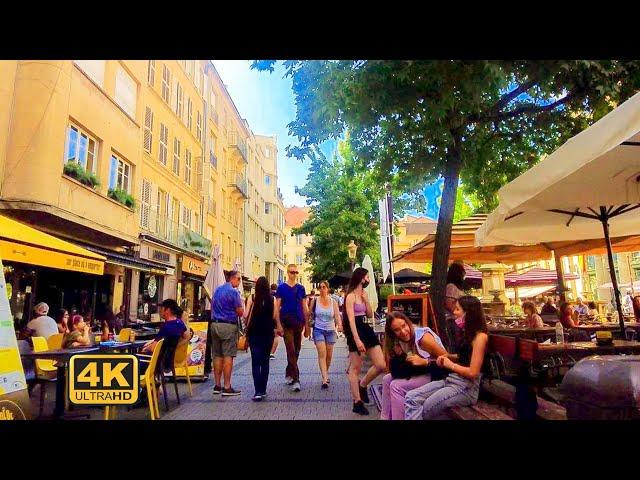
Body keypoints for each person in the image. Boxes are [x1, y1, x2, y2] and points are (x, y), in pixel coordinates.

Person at [405, 295, 488, 420]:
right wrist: (448, 356)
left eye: (458, 309)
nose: (454, 313)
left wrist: (451, 365)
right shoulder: (468, 334)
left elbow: (473, 372)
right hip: (452, 380)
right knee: (411, 397)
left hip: (466, 388)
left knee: (425, 409)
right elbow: (465, 356)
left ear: (468, 313)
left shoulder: (480, 337)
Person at [380, 312, 447, 420]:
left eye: (404, 326)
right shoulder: (398, 342)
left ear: (408, 323)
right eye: (397, 330)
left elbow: (447, 360)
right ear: (392, 332)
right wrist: (399, 356)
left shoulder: (423, 339)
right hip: (422, 373)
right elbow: (396, 371)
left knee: (396, 386)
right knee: (387, 379)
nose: (403, 331)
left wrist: (426, 361)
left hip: (438, 375)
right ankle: (384, 418)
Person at [343, 267, 386, 415]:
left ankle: (363, 384)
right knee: (355, 367)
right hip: (355, 330)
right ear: (361, 278)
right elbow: (350, 320)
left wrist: (367, 300)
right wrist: (356, 339)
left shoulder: (363, 294)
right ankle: (357, 402)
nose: (368, 280)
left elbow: (368, 313)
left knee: (380, 364)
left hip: (366, 327)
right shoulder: (350, 297)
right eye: (367, 277)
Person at [245, 277, 284, 401]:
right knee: (265, 361)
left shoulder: (252, 298)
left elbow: (246, 315)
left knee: (255, 362)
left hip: (254, 333)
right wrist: (278, 326)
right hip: (267, 333)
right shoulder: (272, 299)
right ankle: (263, 389)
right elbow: (274, 315)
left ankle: (257, 391)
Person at [274, 264, 309, 392]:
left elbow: (304, 307)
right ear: (287, 273)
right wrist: (278, 324)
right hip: (286, 323)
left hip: (298, 323)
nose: (294, 274)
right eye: (291, 272)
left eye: (295, 272)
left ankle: (289, 371)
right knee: (291, 350)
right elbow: (276, 308)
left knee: (297, 350)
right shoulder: (281, 288)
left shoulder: (301, 288)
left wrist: (307, 325)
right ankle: (296, 379)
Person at [210, 271, 244, 396]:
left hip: (214, 324)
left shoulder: (218, 290)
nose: (239, 282)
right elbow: (240, 312)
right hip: (228, 325)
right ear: (233, 279)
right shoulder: (234, 292)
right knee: (228, 355)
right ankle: (227, 386)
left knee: (217, 355)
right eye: (239, 279)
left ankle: (217, 385)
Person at [310, 281, 343, 388]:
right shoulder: (315, 301)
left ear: (328, 289)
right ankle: (324, 378)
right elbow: (310, 315)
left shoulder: (333, 302)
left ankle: (325, 372)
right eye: (320, 287)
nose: (322, 289)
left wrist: (340, 325)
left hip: (330, 331)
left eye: (324, 287)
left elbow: (337, 315)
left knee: (329, 356)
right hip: (318, 329)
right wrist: (307, 327)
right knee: (322, 353)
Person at [445, 262, 466, 351]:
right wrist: (460, 312)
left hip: (457, 320)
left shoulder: (457, 287)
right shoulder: (451, 287)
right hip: (453, 320)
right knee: (455, 344)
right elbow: (449, 303)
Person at [269, 283, 279, 359]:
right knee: (276, 336)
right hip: (275, 317)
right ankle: (272, 353)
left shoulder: (267, 294)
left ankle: (266, 351)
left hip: (266, 318)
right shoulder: (278, 294)